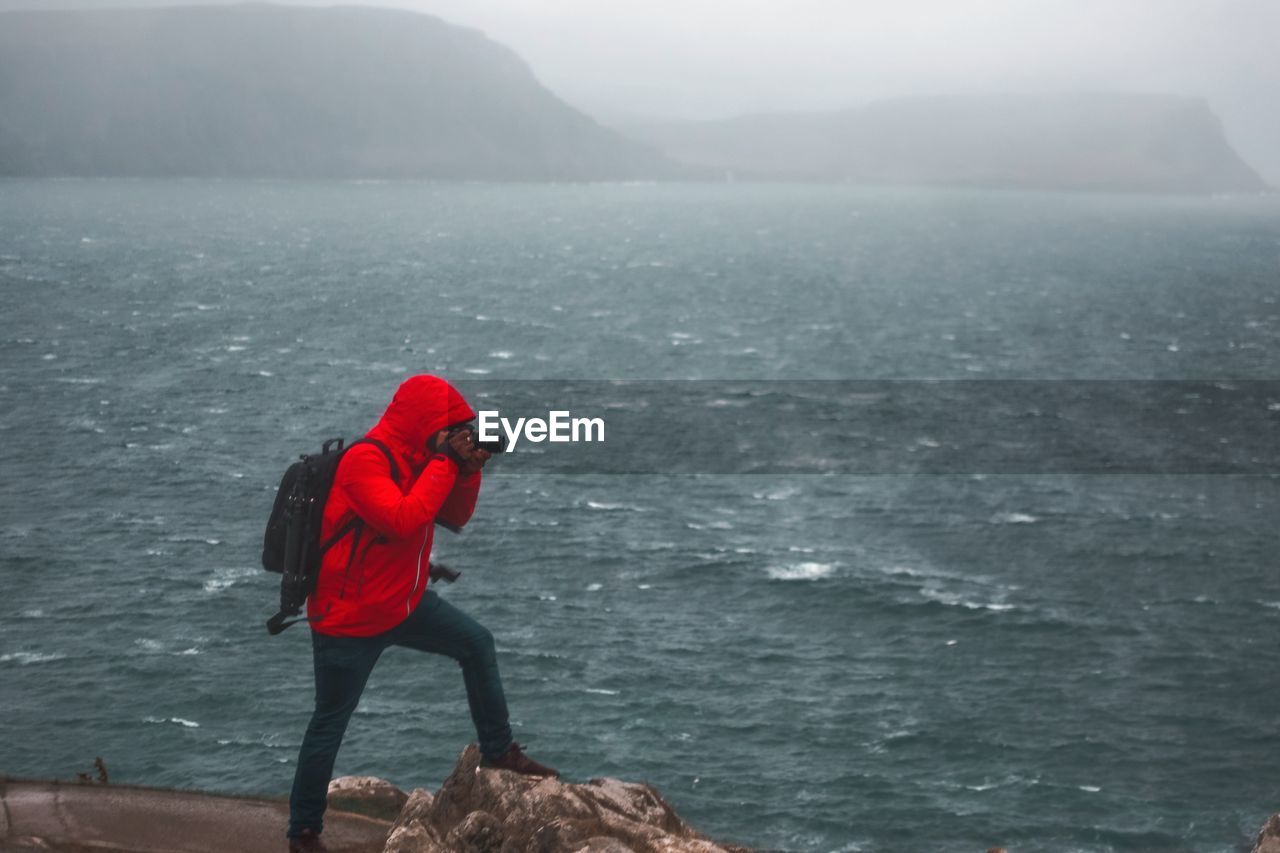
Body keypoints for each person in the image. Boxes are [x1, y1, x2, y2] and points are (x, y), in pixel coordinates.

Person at [286, 374, 557, 853]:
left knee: (477, 644)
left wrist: (469, 469)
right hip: (348, 619)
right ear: (423, 424)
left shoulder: (424, 460)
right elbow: (403, 517)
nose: (456, 439)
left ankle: (499, 752)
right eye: (451, 431)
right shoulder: (364, 461)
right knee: (330, 721)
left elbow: (453, 517)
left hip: (401, 602)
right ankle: (304, 831)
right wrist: (446, 462)